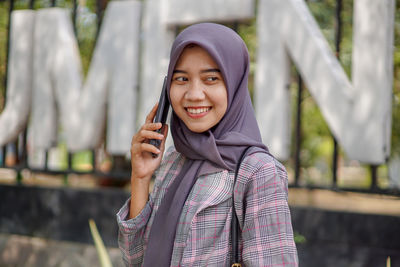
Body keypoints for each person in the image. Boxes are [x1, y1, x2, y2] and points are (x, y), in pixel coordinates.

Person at [117, 23, 298, 267]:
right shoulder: (173, 160)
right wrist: (140, 178)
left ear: (234, 83)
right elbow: (135, 260)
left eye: (211, 78)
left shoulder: (258, 172)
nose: (193, 94)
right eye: (181, 79)